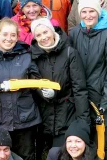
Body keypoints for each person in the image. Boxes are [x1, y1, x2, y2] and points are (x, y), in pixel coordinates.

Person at [0, 18, 46, 160]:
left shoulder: (27, 56)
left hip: (25, 117)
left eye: (13, 35)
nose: (8, 38)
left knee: (26, 157)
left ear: (18, 37)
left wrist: (46, 91)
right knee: (0, 158)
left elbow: (37, 82)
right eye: (5, 34)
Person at [69, 0, 107, 160]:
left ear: (98, 12)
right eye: (84, 12)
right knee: (84, 134)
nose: (88, 15)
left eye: (92, 11)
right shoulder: (75, 33)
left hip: (101, 93)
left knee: (103, 138)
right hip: (81, 93)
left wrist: (105, 100)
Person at [30, 18, 89, 151]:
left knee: (63, 155)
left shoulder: (69, 53)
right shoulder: (33, 56)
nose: (43, 37)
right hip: (44, 115)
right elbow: (34, 81)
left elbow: (79, 89)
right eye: (38, 35)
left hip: (66, 114)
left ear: (52, 30)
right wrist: (42, 91)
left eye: (45, 32)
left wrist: (83, 121)